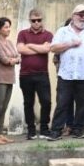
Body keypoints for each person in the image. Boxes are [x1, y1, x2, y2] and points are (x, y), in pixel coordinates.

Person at [48, 4, 84, 140]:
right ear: (73, 16)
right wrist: (70, 44)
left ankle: (78, 130)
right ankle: (56, 131)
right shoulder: (63, 31)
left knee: (82, 105)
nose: (83, 18)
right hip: (66, 75)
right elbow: (53, 48)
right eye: (80, 15)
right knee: (62, 104)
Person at [17, 9, 54, 140]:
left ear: (42, 20)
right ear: (30, 20)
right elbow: (20, 49)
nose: (36, 23)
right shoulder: (22, 33)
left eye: (39, 20)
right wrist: (40, 48)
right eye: (33, 20)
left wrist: (30, 45)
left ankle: (44, 129)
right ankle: (31, 130)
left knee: (46, 101)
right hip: (25, 74)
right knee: (28, 103)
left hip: (42, 74)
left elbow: (47, 49)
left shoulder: (48, 34)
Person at [0, 17, 20, 144]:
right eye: (6, 27)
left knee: (4, 107)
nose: (8, 29)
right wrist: (13, 60)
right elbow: (4, 59)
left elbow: (18, 57)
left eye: (9, 27)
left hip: (9, 78)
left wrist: (14, 59)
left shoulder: (9, 42)